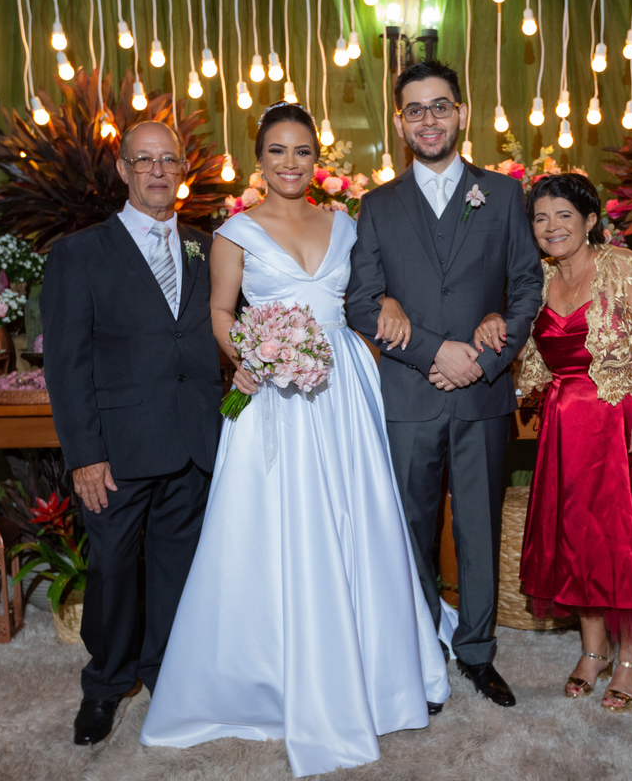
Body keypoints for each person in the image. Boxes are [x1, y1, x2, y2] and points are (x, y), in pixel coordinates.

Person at [140, 103, 449, 778]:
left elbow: (367, 295)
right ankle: (275, 674)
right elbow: (220, 312)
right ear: (260, 160)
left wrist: (389, 303)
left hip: (345, 387)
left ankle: (376, 670)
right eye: (277, 151)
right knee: (278, 526)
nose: (290, 163)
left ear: (317, 159)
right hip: (272, 394)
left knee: (359, 519)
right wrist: (248, 354)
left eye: (302, 151)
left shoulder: (346, 223)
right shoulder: (234, 233)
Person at [345, 61, 543, 708]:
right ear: (399, 122)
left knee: (479, 529)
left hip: (483, 395)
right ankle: (423, 653)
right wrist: (436, 351)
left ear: (462, 113)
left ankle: (478, 653)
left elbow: (527, 287)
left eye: (439, 106)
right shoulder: (377, 206)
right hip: (409, 395)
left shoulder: (503, 194)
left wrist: (483, 361)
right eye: (415, 109)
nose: (428, 119)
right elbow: (361, 302)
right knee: (412, 531)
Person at [484, 173, 632, 713]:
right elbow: (509, 330)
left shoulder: (625, 269)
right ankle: (593, 650)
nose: (552, 226)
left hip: (627, 420)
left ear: (589, 221)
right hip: (568, 429)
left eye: (564, 215)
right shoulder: (535, 279)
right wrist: (492, 316)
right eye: (541, 217)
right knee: (579, 539)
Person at [40, 120, 223, 745]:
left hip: (193, 441)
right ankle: (105, 685)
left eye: (168, 160)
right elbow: (65, 366)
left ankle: (166, 676)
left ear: (183, 170)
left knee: (178, 570)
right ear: (123, 170)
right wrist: (84, 455)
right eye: (143, 160)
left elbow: (231, 331)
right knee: (114, 571)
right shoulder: (79, 253)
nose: (157, 171)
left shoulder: (207, 247)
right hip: (116, 453)